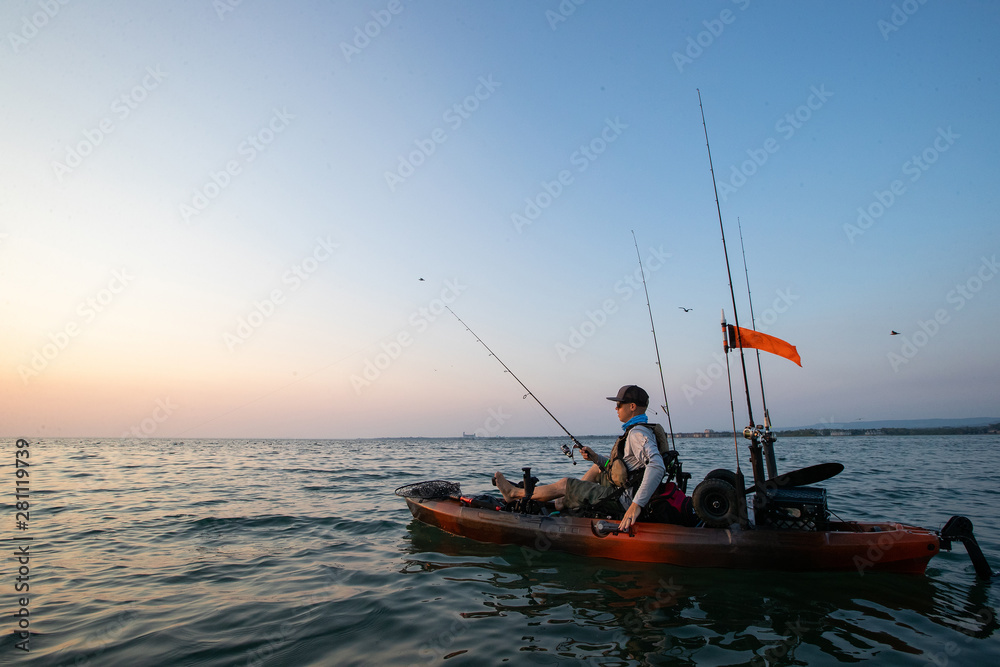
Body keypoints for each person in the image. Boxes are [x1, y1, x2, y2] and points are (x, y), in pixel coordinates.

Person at [494, 385, 666, 532]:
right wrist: (596, 458)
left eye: (619, 404)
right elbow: (628, 469)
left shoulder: (637, 434)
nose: (616, 408)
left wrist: (636, 505)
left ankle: (513, 493)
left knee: (564, 483)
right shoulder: (641, 430)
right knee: (597, 468)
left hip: (625, 499)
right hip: (627, 488)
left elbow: (657, 466)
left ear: (632, 406)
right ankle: (563, 501)